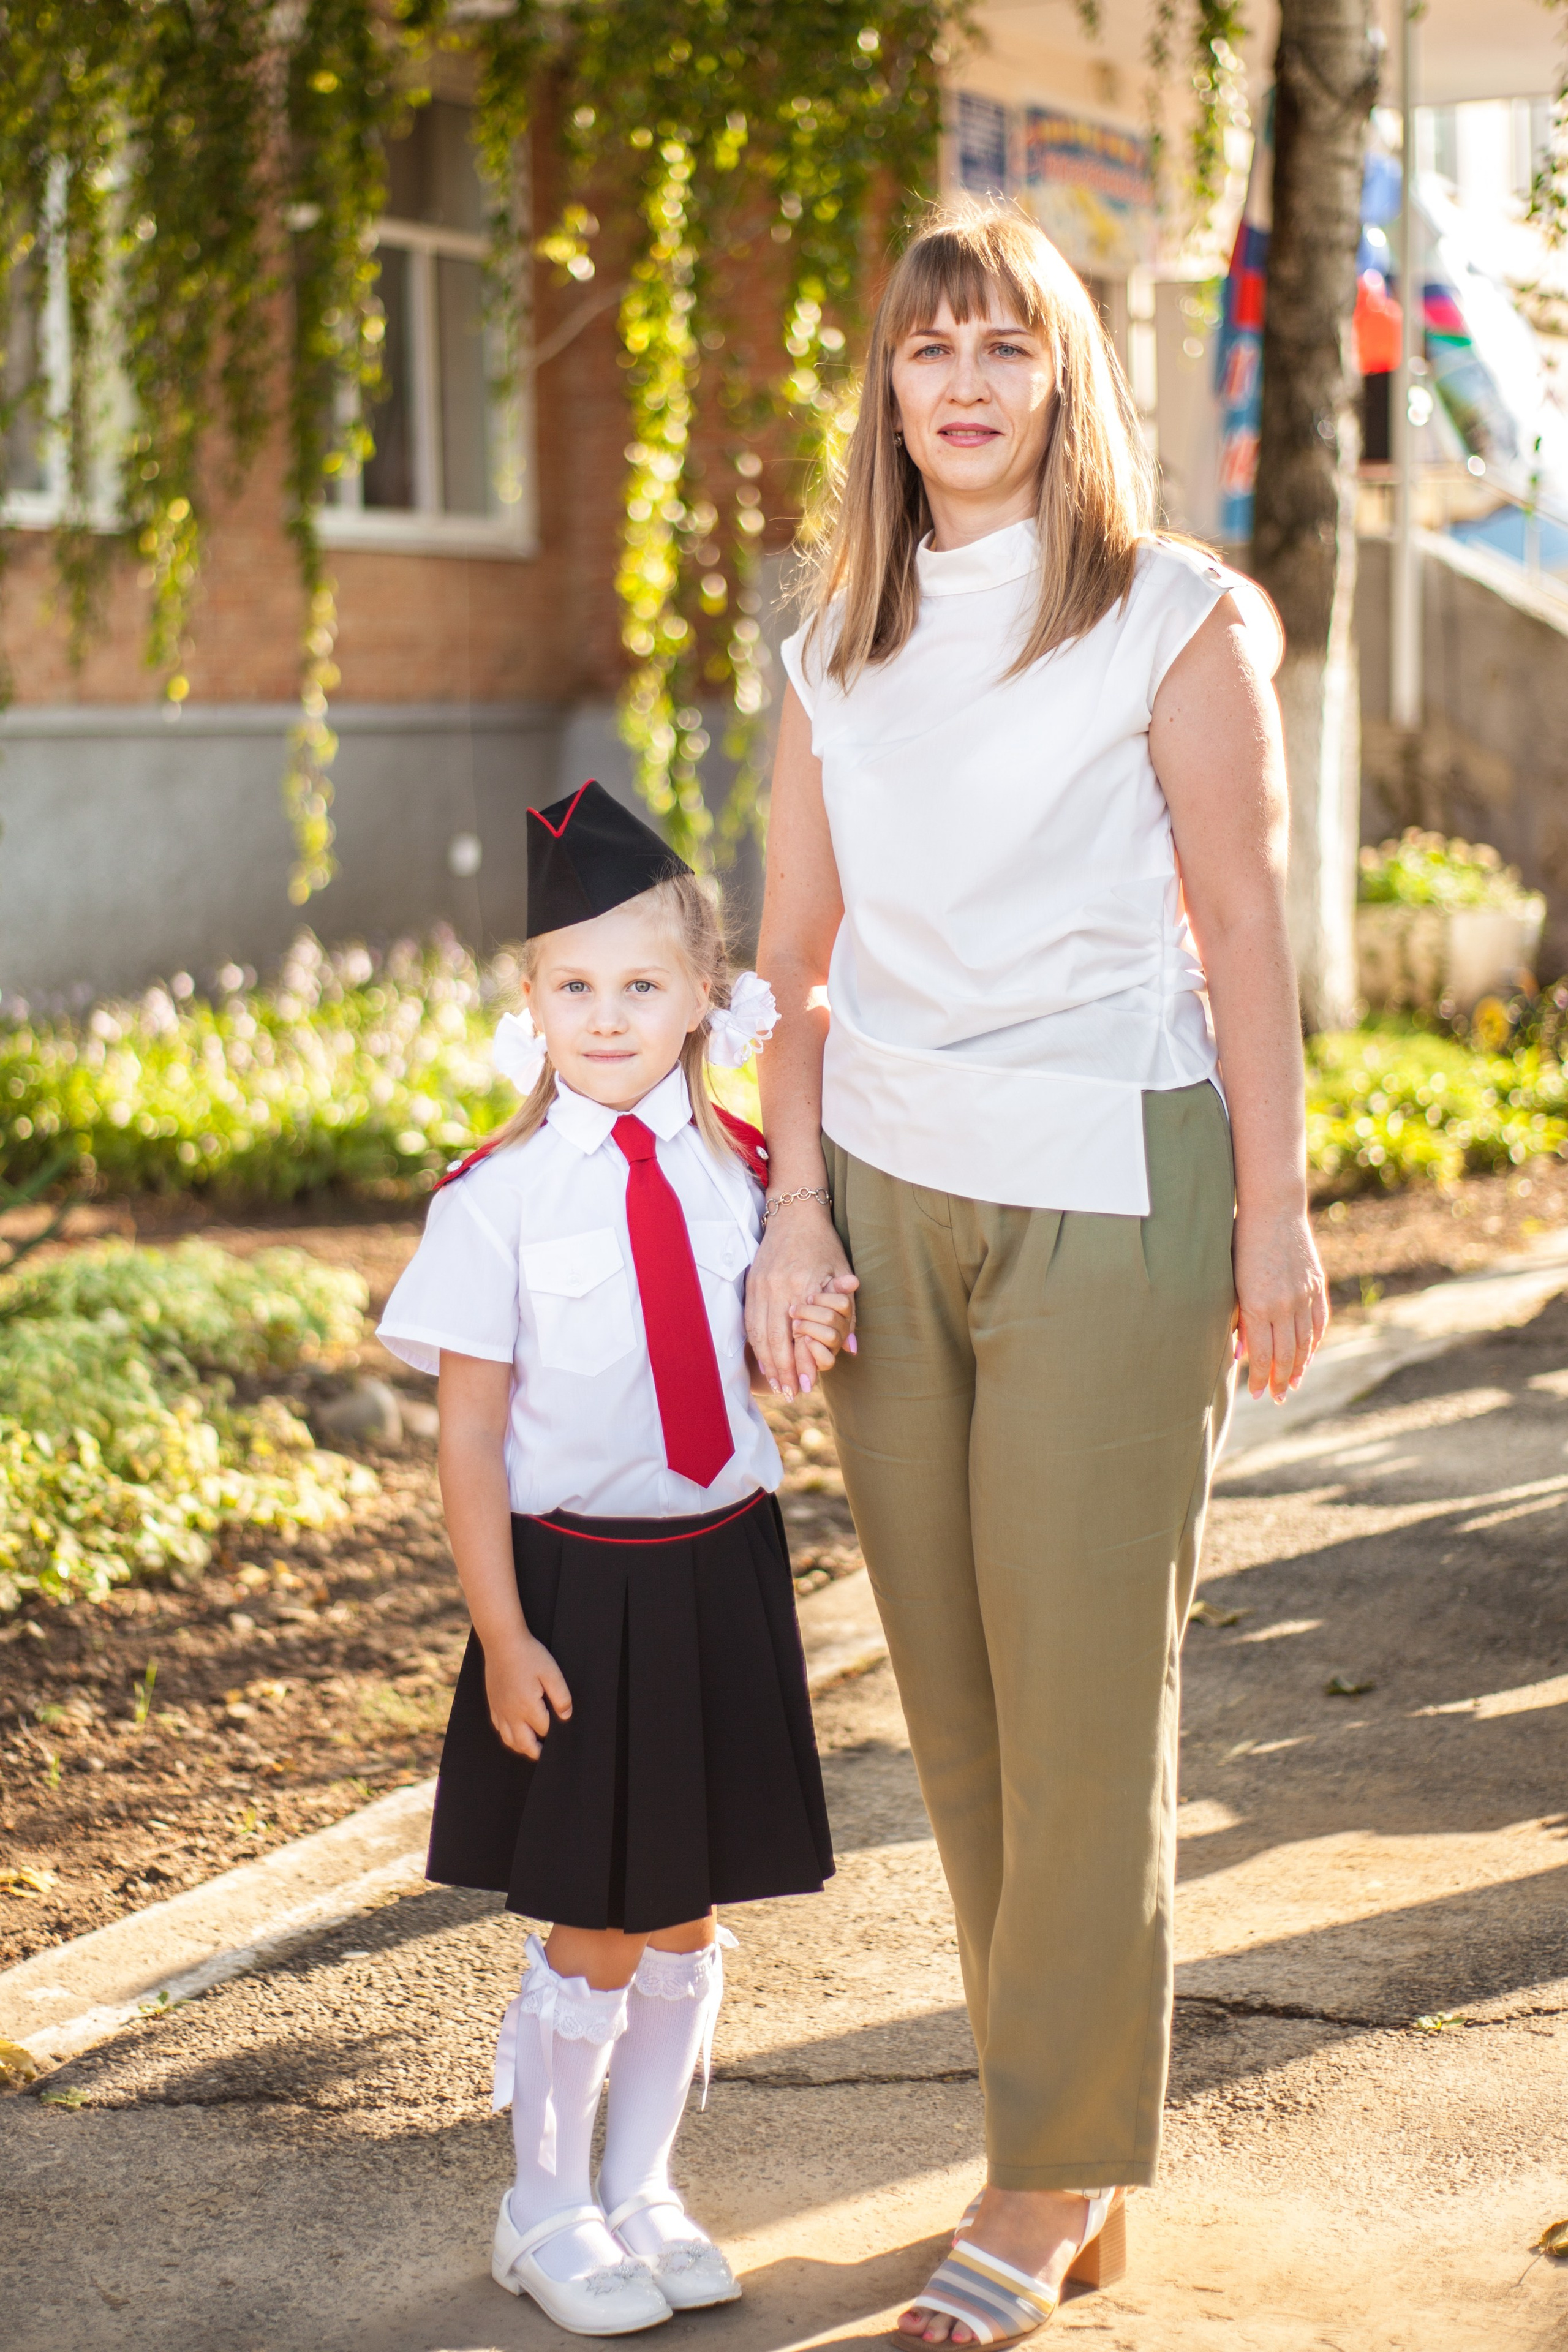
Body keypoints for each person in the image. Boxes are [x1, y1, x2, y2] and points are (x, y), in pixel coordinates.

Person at [746, 198, 1328, 2345]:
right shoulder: (834, 644)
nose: (966, 381)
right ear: (889, 395)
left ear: (1064, 377)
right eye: (930, 349)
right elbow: (789, 967)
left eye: (1005, 344)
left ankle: (1042, 2172)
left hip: (1114, 1182)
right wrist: (791, 1210)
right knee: (964, 1717)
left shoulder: (1173, 615)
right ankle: (1063, 2149)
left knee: (1087, 1711)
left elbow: (1245, 929)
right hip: (889, 1197)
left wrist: (1275, 1212)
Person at [379, 782, 853, 2337]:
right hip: (574, 1592)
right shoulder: (496, 1200)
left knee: (688, 1913)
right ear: (529, 1000)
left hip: (722, 1573)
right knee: (587, 1919)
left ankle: (643, 2188)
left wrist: (806, 1322)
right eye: (572, 984)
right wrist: (502, 1635)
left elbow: (768, 1355)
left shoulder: (747, 1174)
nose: (604, 1015)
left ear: (704, 995)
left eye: (640, 984)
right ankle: (544, 2207)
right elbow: (467, 1441)